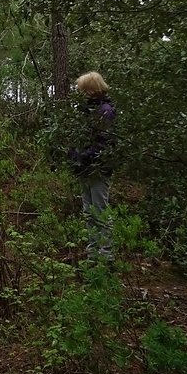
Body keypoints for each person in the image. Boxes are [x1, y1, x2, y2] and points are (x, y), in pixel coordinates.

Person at [69, 71, 117, 259]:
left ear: (91, 90)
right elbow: (79, 138)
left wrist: (82, 156)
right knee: (89, 212)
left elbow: (104, 143)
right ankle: (93, 252)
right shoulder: (85, 112)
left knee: (100, 210)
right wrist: (73, 154)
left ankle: (106, 254)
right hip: (85, 169)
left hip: (99, 169)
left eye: (82, 90)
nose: (80, 93)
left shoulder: (105, 111)